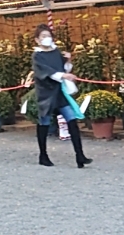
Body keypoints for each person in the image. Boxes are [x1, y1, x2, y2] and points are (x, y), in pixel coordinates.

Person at [30, 23, 91, 168]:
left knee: (72, 119)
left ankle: (80, 155)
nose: (47, 39)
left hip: (60, 92)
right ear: (37, 40)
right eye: (43, 36)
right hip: (46, 93)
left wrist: (68, 62)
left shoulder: (56, 52)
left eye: (49, 36)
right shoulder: (37, 56)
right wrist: (64, 75)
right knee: (44, 122)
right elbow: (44, 72)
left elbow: (63, 68)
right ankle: (43, 155)